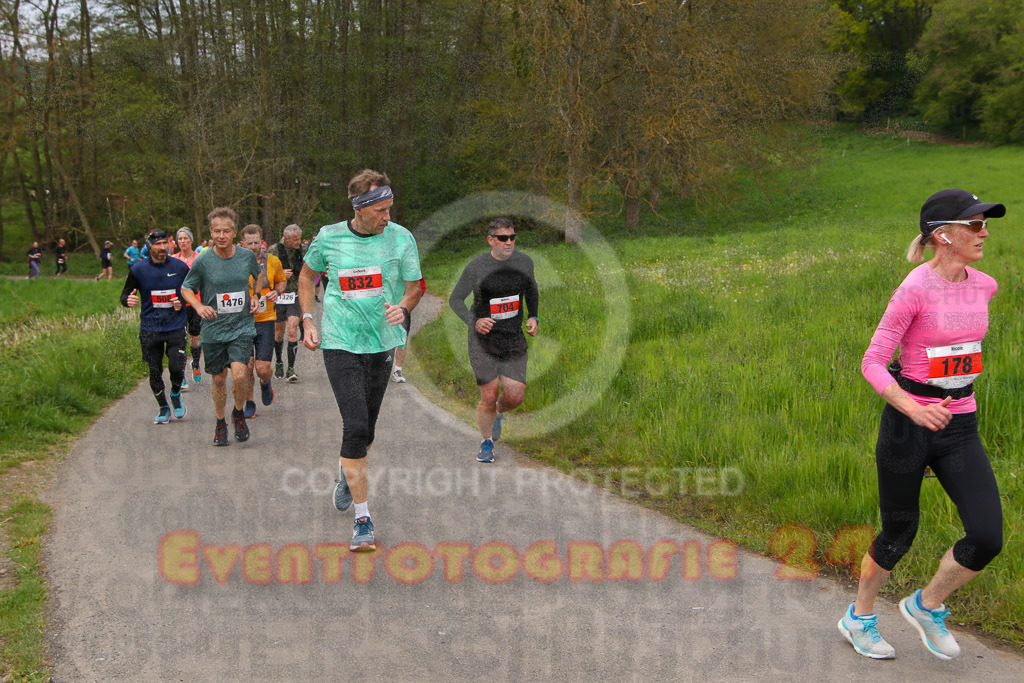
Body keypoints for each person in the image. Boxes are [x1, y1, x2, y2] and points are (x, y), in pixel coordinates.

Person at [839, 189, 1005, 661]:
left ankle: (927, 605)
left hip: (960, 424)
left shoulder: (986, 285)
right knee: (898, 533)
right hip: (907, 426)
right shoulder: (913, 289)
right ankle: (859, 618)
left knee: (988, 536)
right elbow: (873, 361)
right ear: (942, 235)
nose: (984, 232)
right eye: (975, 224)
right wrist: (912, 408)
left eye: (984, 223)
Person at [299, 169, 422, 552]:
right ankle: (363, 519)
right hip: (339, 342)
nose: (387, 217)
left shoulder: (401, 239)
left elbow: (416, 286)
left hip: (382, 343)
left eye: (390, 208)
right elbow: (306, 278)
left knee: (366, 430)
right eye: (380, 210)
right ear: (359, 207)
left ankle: (345, 470)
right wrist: (306, 319)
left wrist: (403, 307)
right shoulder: (328, 238)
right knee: (353, 424)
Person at [449, 218, 539, 463]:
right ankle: (486, 442)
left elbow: (531, 290)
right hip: (483, 340)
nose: (508, 242)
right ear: (491, 240)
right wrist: (474, 321)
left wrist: (533, 316)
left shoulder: (524, 262)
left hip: (512, 337)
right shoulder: (477, 266)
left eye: (512, 237)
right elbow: (456, 300)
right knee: (488, 396)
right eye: (502, 238)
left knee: (515, 396)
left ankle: (498, 412)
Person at [180, 208, 264, 446]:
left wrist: (256, 295)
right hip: (214, 328)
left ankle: (238, 413)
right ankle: (220, 422)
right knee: (218, 380)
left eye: (226, 231)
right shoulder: (204, 260)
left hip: (241, 327)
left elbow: (258, 274)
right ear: (210, 232)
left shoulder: (246, 256)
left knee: (240, 375)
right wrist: (197, 306)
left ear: (234, 232)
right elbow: (186, 288)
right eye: (216, 231)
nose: (221, 235)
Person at [120, 230, 189, 423]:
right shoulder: (138, 270)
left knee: (176, 367)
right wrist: (128, 300)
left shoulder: (180, 267)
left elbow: (192, 290)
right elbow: (125, 294)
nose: (162, 248)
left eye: (164, 243)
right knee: (154, 370)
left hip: (175, 325)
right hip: (150, 328)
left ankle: (175, 392)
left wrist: (182, 301)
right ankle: (163, 406)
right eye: (157, 244)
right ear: (149, 247)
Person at [240, 224, 286, 417]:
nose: (253, 247)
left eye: (256, 243)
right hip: (242, 320)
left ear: (262, 242)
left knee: (262, 367)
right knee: (248, 366)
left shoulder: (273, 261)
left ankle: (266, 383)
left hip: (266, 318)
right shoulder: (235, 261)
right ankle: (250, 401)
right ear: (242, 243)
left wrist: (277, 291)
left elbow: (281, 280)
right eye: (249, 243)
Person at [268, 224, 305, 382]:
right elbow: (265, 274)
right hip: (279, 295)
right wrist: (280, 274)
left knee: (292, 329)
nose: (299, 242)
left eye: (300, 239)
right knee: (278, 332)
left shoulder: (303, 249)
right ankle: (278, 362)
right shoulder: (273, 250)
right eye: (296, 239)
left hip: (295, 294)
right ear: (287, 239)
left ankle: (291, 368)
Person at [172, 227, 204, 385]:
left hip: (195, 303)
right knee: (180, 340)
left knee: (195, 338)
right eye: (180, 239)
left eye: (185, 238)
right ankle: (181, 375)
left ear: (191, 240)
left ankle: (196, 363)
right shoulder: (173, 259)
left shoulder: (199, 258)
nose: (183, 241)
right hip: (178, 305)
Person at [391, 277, 426, 383]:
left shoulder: (408, 264)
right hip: (382, 304)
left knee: (403, 335)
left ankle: (397, 369)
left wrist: (408, 303)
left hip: (403, 305)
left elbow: (419, 287)